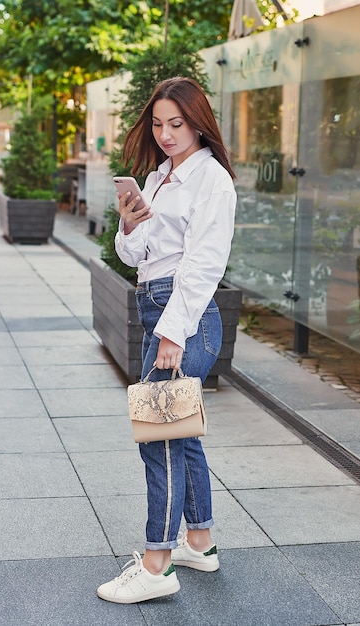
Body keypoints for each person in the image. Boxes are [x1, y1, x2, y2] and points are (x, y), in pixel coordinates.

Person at [97, 76, 236, 604]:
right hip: (154, 302)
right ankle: (197, 542)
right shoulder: (157, 178)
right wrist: (129, 226)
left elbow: (203, 265)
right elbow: (134, 257)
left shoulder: (212, 181)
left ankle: (157, 564)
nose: (166, 134)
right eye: (157, 124)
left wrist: (172, 333)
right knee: (180, 430)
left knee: (159, 434)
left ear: (198, 122)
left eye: (176, 123)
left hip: (186, 315)